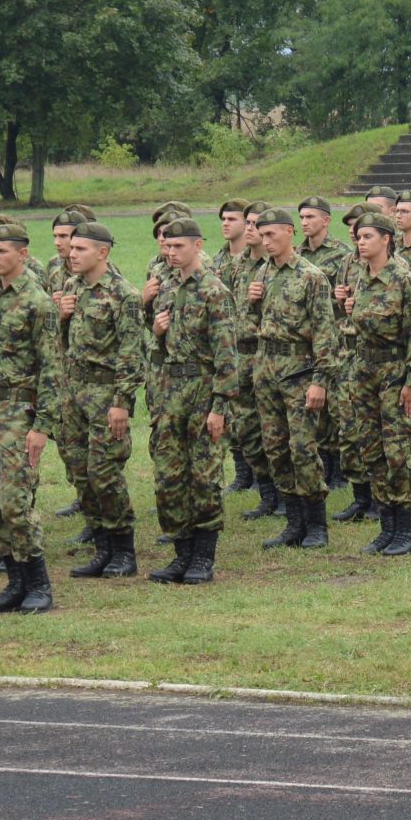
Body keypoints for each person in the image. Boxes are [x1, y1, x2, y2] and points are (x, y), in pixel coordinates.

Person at [0, 220, 59, 614]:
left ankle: (38, 584)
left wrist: (42, 426)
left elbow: (53, 369)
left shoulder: (38, 303)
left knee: (15, 503)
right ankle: (14, 582)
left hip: (19, 413)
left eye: (2, 251)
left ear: (22, 254)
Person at [143, 215, 234, 585]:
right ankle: (181, 553)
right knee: (169, 475)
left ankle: (203, 556)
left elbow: (227, 359)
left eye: (178, 246)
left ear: (198, 246)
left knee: (204, 475)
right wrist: (157, 331)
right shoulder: (164, 288)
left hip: (202, 390)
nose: (171, 252)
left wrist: (219, 409)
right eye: (167, 245)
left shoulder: (214, 292)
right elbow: (158, 352)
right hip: (170, 393)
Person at [53, 221, 147, 579]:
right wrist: (61, 317)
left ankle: (123, 549)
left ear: (102, 252)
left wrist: (122, 401)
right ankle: (102, 547)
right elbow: (62, 344)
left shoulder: (123, 294)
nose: (72, 255)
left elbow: (131, 352)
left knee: (104, 472)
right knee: (79, 470)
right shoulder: (71, 287)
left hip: (106, 395)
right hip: (74, 393)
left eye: (80, 249)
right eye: (71, 248)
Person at [339, 210, 411, 556]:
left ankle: (406, 529)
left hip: (395, 373)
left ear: (386, 239)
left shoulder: (403, 278)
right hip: (364, 372)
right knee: (372, 449)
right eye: (358, 237)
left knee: (398, 450)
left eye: (367, 237)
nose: (360, 243)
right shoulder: (361, 275)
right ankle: (386, 527)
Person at [246, 207, 336, 550]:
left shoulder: (311, 276)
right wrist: (253, 304)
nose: (266, 241)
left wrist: (320, 380)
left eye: (271, 234)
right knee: (275, 448)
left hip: (299, 370)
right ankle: (293, 522)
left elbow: (326, 333)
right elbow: (258, 323)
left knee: (302, 448)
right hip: (267, 368)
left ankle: (317, 524)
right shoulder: (262, 275)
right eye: (261, 234)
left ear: (289, 232)